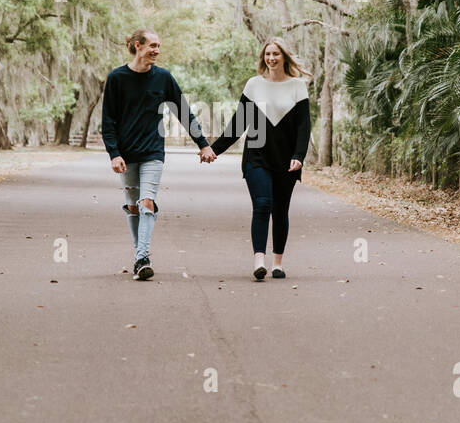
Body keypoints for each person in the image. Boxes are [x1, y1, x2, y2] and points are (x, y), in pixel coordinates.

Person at [101, 28, 216, 281]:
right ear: (136, 46)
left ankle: (143, 257)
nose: (156, 50)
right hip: (126, 154)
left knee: (146, 203)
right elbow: (108, 120)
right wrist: (114, 153)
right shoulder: (117, 78)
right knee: (133, 207)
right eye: (152, 45)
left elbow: (184, 112)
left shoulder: (163, 78)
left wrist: (203, 144)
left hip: (153, 151)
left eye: (158, 46)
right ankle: (139, 255)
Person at [209, 38, 311, 280]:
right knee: (263, 204)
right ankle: (259, 261)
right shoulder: (254, 85)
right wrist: (214, 149)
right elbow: (238, 123)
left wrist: (299, 156)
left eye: (276, 54)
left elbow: (304, 126)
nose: (271, 58)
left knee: (280, 209)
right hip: (257, 155)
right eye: (268, 54)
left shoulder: (298, 86)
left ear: (284, 57)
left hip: (287, 159)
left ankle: (277, 263)